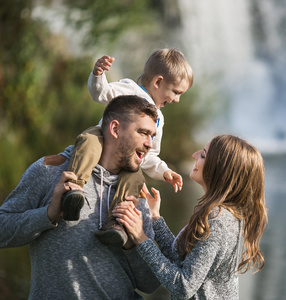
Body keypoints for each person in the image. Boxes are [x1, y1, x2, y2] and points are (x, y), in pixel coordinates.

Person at [0, 95, 161, 299]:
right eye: (143, 133)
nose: (150, 144)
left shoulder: (137, 197)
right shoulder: (50, 170)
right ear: (115, 129)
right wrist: (47, 215)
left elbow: (150, 284)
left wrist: (134, 242)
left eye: (152, 136)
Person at [63, 48, 194, 247]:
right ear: (158, 82)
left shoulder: (159, 119)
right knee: (89, 140)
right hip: (103, 139)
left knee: (135, 177)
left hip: (125, 159)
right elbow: (101, 94)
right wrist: (98, 75)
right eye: (176, 92)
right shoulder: (129, 89)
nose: (176, 99)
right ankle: (74, 191)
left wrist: (164, 171)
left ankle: (115, 222)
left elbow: (148, 154)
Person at [113, 135, 268, 299]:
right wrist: (155, 218)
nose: (194, 155)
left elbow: (183, 287)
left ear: (219, 169)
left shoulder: (219, 222)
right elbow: (180, 260)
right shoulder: (217, 214)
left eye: (203, 155)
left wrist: (140, 238)